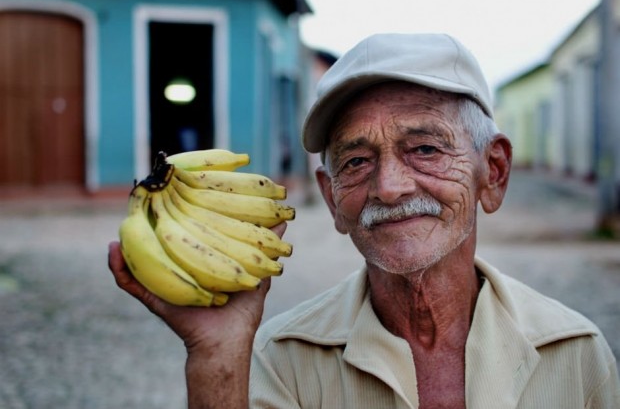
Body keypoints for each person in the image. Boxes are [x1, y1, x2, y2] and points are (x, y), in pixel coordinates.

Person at [108, 33, 620, 408]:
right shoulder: (277, 360)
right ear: (332, 199)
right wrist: (217, 356)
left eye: (424, 148)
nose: (390, 186)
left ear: (494, 172)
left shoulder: (575, 354)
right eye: (356, 161)